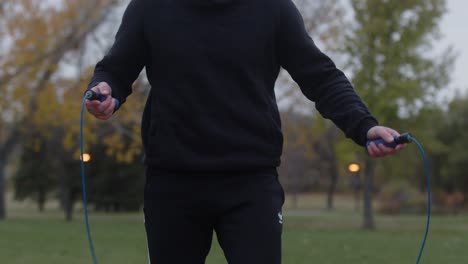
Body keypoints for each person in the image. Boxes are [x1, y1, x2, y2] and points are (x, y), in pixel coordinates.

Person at [85, 0, 405, 263]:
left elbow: (321, 77)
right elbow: (115, 68)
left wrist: (364, 125)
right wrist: (106, 90)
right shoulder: (149, 8)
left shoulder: (273, 9)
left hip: (251, 184)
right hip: (172, 184)